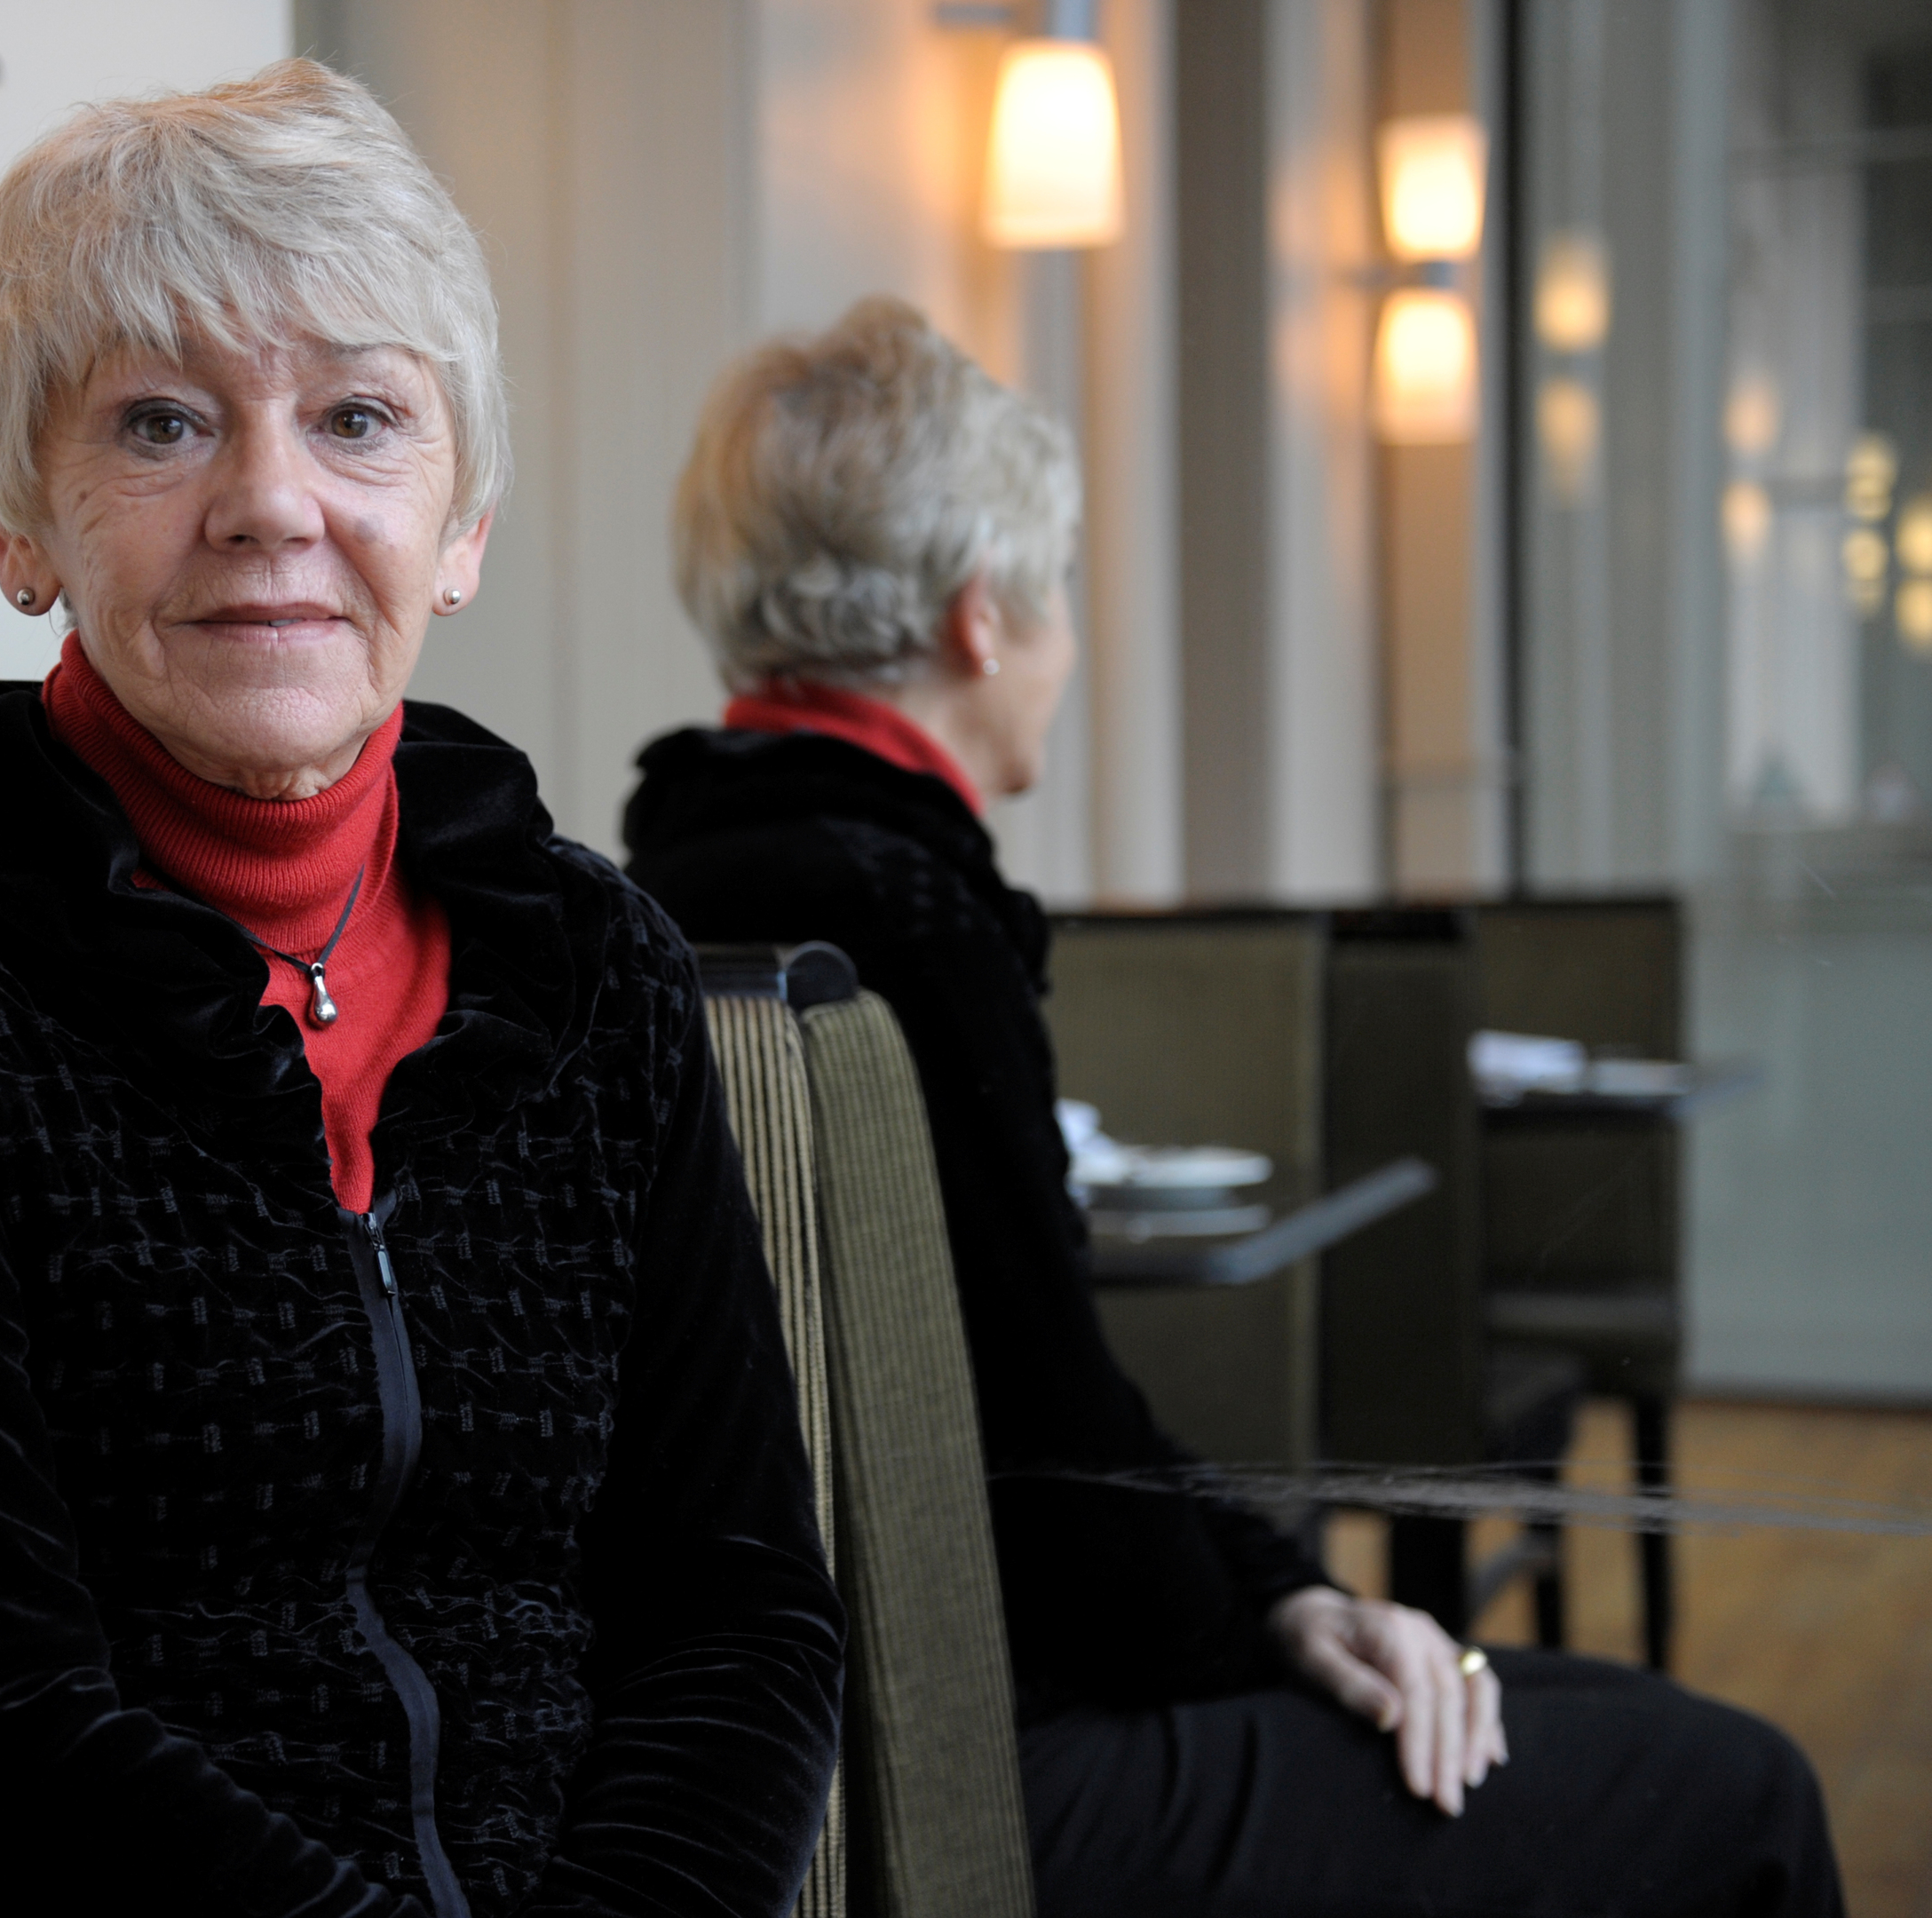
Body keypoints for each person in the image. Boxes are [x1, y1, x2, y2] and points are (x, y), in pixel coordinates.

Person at [0, 63, 841, 1918]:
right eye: (159, 425)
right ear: (21, 527)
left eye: (361, 418)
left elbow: (737, 1609)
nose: (270, 503)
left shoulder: (595, 965)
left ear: (458, 530)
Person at [622, 296, 1843, 1916]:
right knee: (1741, 1786)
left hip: (790, 1763)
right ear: (984, 620)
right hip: (986, 1768)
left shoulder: (661, 898)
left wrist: (1281, 1596)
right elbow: (1058, 1475)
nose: (1063, 651)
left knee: (1593, 1727)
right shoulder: (902, 924)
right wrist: (1284, 1610)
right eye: (1059, 602)